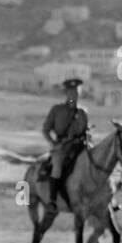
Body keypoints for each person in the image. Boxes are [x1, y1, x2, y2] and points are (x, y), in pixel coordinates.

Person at [41, 78, 90, 214]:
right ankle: (52, 200)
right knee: (57, 167)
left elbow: (86, 132)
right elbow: (45, 129)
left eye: (77, 92)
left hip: (79, 147)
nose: (74, 95)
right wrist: (54, 143)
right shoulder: (57, 110)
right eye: (71, 92)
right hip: (62, 148)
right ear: (67, 94)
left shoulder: (83, 113)